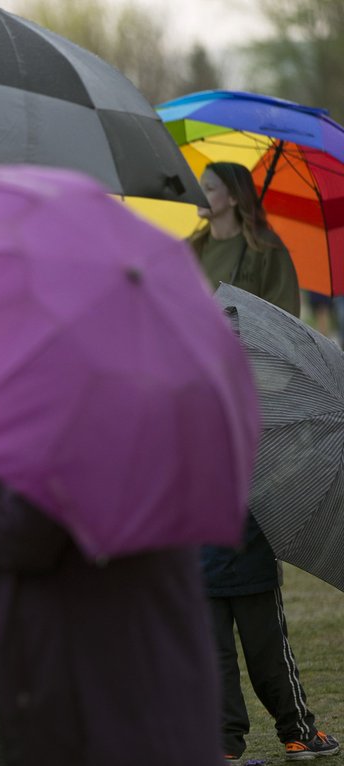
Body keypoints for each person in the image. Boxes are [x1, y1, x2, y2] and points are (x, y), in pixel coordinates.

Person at [0, 455, 224, 766]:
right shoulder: (157, 430)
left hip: (101, 665)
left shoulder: (78, 436)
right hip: (151, 644)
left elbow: (19, 531)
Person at [191, 162, 339, 762]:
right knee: (216, 586)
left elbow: (281, 334)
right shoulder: (187, 252)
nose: (199, 196)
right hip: (193, 418)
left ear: (233, 194)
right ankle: (235, 736)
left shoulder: (268, 253)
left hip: (255, 419)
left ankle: (279, 725)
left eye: (207, 186)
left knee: (242, 578)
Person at [189, 161, 300, 316]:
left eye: (209, 188)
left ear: (233, 198)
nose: (199, 194)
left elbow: (285, 313)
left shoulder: (266, 248)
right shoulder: (191, 247)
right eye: (200, 187)